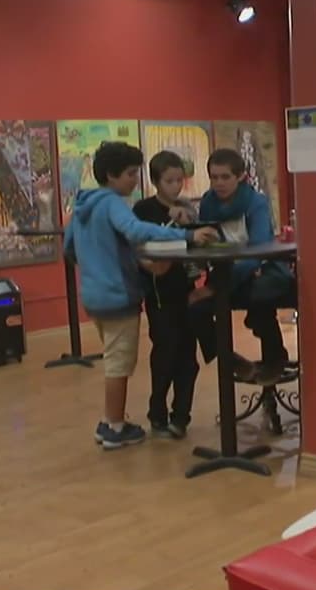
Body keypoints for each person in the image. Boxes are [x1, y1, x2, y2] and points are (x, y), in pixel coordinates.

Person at [64, 141, 218, 450]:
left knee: (115, 358)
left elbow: (69, 248)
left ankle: (110, 421)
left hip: (93, 295)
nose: (136, 180)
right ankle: (114, 426)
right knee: (118, 364)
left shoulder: (83, 205)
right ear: (112, 175)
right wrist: (186, 235)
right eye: (131, 174)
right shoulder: (112, 204)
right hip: (117, 297)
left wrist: (98, 267)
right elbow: (136, 231)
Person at [191, 149, 295, 385]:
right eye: (214, 177)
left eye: (225, 177)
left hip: (263, 272)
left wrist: (216, 287)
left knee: (261, 299)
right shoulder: (208, 202)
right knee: (195, 309)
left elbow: (258, 251)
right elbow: (207, 246)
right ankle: (229, 359)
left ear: (240, 177)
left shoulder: (256, 202)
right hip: (226, 273)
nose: (219, 183)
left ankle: (275, 359)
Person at [133, 151, 200, 439]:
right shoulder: (143, 209)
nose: (175, 186)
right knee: (165, 353)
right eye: (169, 181)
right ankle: (157, 410)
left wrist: (189, 225)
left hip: (185, 290)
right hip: (159, 293)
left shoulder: (187, 209)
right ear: (156, 181)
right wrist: (171, 227)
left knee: (188, 357)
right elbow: (138, 245)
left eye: (179, 180)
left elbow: (196, 245)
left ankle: (181, 416)